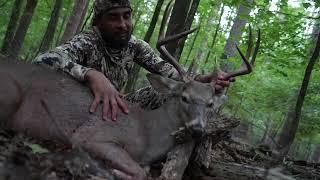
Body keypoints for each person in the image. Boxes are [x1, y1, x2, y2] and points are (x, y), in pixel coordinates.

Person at [34, 0, 232, 121]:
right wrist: (90, 74)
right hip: (83, 109)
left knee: (167, 92)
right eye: (113, 17)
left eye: (126, 16)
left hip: (117, 107)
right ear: (98, 21)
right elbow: (43, 60)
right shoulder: (87, 41)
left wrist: (206, 79)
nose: (122, 25)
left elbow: (171, 74)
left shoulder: (135, 45)